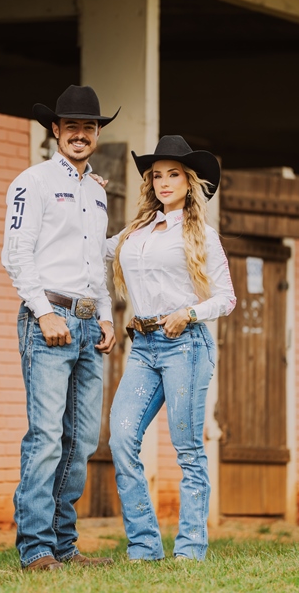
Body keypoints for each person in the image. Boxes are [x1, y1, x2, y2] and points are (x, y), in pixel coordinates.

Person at [1, 85, 119, 571]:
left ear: (97, 134)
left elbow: (96, 263)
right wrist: (43, 312)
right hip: (48, 318)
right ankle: (35, 548)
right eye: (72, 126)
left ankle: (64, 546)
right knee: (47, 436)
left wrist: (106, 314)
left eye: (89, 127)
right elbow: (16, 254)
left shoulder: (97, 191)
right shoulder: (32, 181)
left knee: (83, 440)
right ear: (55, 130)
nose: (80, 134)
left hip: (89, 324)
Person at [107, 135, 236, 562]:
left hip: (186, 345)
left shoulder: (202, 235)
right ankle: (145, 546)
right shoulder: (134, 233)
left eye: (173, 175)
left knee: (187, 449)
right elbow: (94, 251)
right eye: (157, 175)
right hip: (143, 346)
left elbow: (227, 298)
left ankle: (190, 549)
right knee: (121, 438)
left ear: (188, 181)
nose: (163, 182)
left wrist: (189, 313)